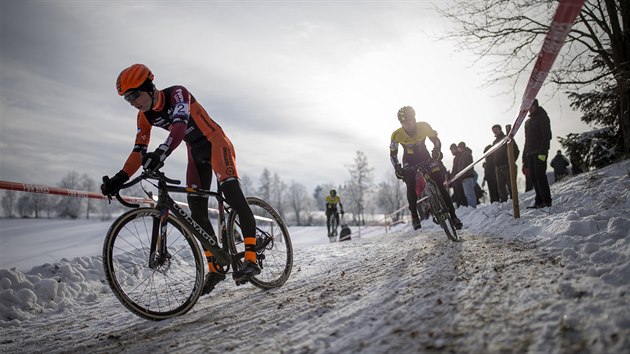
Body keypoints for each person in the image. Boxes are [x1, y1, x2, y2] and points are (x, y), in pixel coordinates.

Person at [101, 64, 260, 296]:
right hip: (194, 152)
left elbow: (179, 126)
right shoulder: (143, 116)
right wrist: (120, 177)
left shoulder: (177, 93)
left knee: (233, 197)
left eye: (135, 95)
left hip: (216, 143)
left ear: (148, 86)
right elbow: (138, 151)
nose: (133, 102)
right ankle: (215, 267)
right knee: (197, 212)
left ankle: (251, 258)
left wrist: (161, 152)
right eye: (128, 99)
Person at [390, 106, 462, 230]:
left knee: (439, 185)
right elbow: (393, 154)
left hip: (425, 156)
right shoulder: (397, 135)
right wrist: (397, 167)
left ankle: (454, 217)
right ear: (401, 123)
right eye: (404, 123)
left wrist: (436, 150)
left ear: (414, 119)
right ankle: (414, 216)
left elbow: (436, 141)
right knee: (410, 185)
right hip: (409, 161)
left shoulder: (424, 126)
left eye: (410, 121)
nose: (408, 125)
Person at [524, 99, 552, 208]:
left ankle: (546, 200)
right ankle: (539, 200)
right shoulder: (527, 122)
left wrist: (543, 152)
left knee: (540, 175)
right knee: (534, 177)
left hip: (539, 152)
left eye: (532, 105)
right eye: (529, 106)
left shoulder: (542, 117)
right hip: (529, 153)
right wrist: (524, 157)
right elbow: (526, 140)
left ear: (536, 105)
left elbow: (547, 136)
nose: (530, 108)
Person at [491, 124, 520, 202]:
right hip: (498, 167)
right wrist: (495, 163)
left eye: (496, 130)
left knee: (511, 185)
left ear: (500, 129)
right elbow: (494, 154)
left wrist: (511, 162)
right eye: (493, 131)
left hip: (507, 166)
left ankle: (514, 201)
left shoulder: (507, 138)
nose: (495, 132)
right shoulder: (494, 142)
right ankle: (504, 201)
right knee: (500, 186)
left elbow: (516, 150)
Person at [456, 142, 477, 208]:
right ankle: (471, 206)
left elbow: (464, 166)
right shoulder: (464, 154)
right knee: (468, 193)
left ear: (461, 147)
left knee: (469, 193)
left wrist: (461, 174)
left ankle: (472, 206)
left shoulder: (466, 154)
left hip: (467, 176)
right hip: (465, 176)